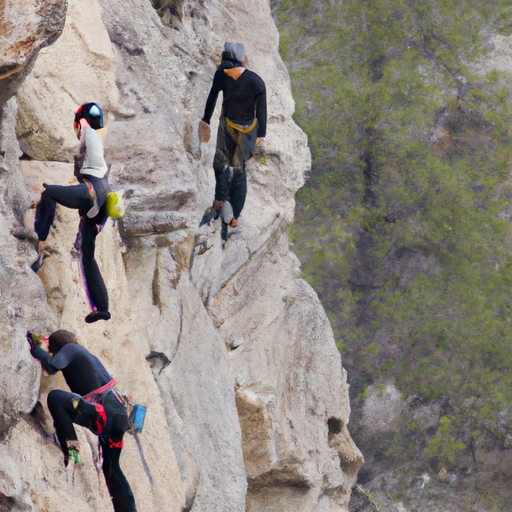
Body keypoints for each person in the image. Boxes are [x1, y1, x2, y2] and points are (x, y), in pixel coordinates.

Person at [27, 330, 137, 512]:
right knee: (111, 467)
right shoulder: (83, 353)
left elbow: (51, 367)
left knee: (55, 398)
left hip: (103, 411)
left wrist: (36, 347)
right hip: (117, 415)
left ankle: (72, 450)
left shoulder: (70, 349)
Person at [32, 103, 111, 323]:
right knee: (87, 256)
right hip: (102, 197)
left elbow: (85, 125)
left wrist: (83, 120)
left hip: (93, 191)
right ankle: (102, 307)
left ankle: (39, 245)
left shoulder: (89, 134)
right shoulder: (95, 142)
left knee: (48, 193)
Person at [199, 42, 267, 228]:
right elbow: (212, 96)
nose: (228, 71)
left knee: (238, 169)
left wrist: (261, 134)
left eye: (231, 68)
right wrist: (205, 120)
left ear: (239, 64)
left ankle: (234, 212)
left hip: (246, 129)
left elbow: (261, 109)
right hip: (226, 123)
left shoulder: (256, 82)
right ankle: (220, 199)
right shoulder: (222, 75)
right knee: (219, 163)